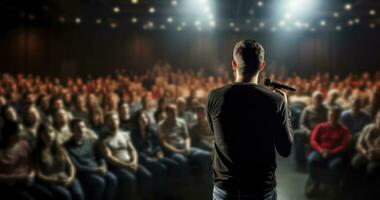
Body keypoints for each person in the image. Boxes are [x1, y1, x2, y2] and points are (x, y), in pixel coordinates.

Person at [206, 40, 293, 200]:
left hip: (225, 189)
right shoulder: (275, 101)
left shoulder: (214, 96)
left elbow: (215, 133)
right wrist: (285, 109)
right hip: (260, 189)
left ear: (233, 64)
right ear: (262, 66)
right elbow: (285, 149)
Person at [100, 111, 153, 200]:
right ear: (106, 122)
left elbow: (132, 149)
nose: (114, 122)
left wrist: (134, 161)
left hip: (130, 162)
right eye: (111, 120)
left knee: (147, 175)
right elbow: (109, 157)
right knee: (130, 179)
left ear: (119, 121)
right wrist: (126, 165)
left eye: (116, 119)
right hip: (117, 166)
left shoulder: (124, 134)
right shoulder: (103, 139)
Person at [157, 104, 212, 184]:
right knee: (183, 161)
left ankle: (208, 180)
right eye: (172, 111)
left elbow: (187, 137)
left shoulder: (181, 122)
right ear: (167, 113)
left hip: (185, 147)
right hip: (172, 151)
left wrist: (187, 147)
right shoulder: (161, 125)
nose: (175, 113)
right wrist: (178, 151)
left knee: (207, 155)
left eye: (175, 110)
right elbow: (164, 143)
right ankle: (187, 185)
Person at [65, 119, 117, 200]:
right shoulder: (67, 146)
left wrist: (103, 165)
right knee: (99, 182)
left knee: (112, 179)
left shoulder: (90, 141)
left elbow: (99, 156)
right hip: (84, 173)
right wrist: (95, 170)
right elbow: (77, 166)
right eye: (78, 128)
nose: (81, 130)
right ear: (72, 130)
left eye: (83, 127)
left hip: (97, 168)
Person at [0, 121, 52, 200]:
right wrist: (17, 178)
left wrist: (31, 174)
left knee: (49, 195)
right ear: (11, 135)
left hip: (28, 180)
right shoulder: (2, 151)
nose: (23, 133)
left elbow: (32, 163)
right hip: (11, 184)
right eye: (20, 132)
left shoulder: (24, 144)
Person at [306, 107, 351, 197]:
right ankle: (315, 183)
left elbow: (344, 145)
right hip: (320, 151)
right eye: (331, 115)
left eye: (335, 116)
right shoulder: (320, 126)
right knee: (312, 160)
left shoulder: (344, 130)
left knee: (335, 165)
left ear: (338, 117)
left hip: (335, 154)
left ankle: (332, 185)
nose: (333, 117)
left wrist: (331, 152)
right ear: (328, 115)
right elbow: (313, 140)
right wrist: (321, 150)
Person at [34, 123, 85, 200]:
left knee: (78, 195)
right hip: (51, 181)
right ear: (40, 135)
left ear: (54, 133)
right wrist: (56, 180)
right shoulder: (37, 152)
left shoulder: (61, 148)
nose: (48, 135)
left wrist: (70, 177)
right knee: (66, 196)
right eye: (45, 133)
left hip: (66, 177)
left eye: (51, 131)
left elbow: (70, 165)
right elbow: (39, 175)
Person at [294, 91, 328, 166]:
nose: (318, 100)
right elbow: (301, 123)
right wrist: (307, 131)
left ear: (322, 99)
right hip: (309, 132)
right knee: (298, 135)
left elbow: (328, 123)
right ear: (313, 99)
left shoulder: (326, 110)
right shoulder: (307, 110)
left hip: (321, 134)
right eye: (316, 98)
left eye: (320, 98)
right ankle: (299, 161)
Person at [351, 111, 380, 175]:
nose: (379, 120)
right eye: (379, 118)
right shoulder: (368, 127)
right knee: (355, 162)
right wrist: (365, 152)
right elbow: (358, 144)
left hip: (378, 157)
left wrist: (376, 154)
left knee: (372, 169)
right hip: (365, 152)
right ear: (376, 118)